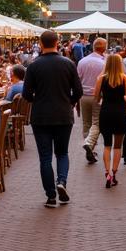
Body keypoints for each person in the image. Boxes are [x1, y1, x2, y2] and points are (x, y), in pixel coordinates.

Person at [23, 30, 83, 208]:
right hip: (63, 115)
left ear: (41, 44)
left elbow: (26, 94)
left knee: (45, 157)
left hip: (40, 116)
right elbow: (78, 92)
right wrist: (69, 103)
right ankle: (62, 182)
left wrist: (38, 101)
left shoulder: (33, 66)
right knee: (62, 153)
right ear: (57, 42)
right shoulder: (69, 64)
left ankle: (50, 196)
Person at [95, 53, 126, 188]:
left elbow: (96, 98)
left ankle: (107, 172)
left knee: (107, 145)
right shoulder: (125, 79)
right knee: (117, 146)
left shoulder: (101, 79)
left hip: (105, 112)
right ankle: (114, 174)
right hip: (120, 113)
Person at [76, 37, 107, 165]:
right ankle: (90, 146)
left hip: (84, 96)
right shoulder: (103, 63)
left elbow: (77, 79)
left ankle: (89, 148)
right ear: (104, 48)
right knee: (97, 122)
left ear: (94, 47)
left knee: (86, 123)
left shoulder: (82, 61)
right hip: (98, 96)